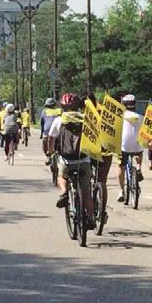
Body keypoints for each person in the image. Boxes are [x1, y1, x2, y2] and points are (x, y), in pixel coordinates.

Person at [47, 93, 95, 229]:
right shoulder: (86, 119)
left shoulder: (59, 120)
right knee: (86, 192)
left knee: (62, 176)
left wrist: (50, 151)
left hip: (66, 160)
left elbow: (51, 139)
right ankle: (91, 219)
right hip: (84, 159)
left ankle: (63, 193)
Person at [117, 94, 144, 202]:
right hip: (137, 146)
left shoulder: (121, 117)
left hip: (124, 146)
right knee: (139, 153)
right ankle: (138, 167)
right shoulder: (140, 117)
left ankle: (121, 191)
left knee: (121, 166)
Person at [40, 98, 61, 164]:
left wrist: (41, 133)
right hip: (58, 131)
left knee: (45, 143)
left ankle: (48, 156)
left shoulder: (44, 111)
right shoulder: (60, 110)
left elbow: (42, 123)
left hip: (48, 132)